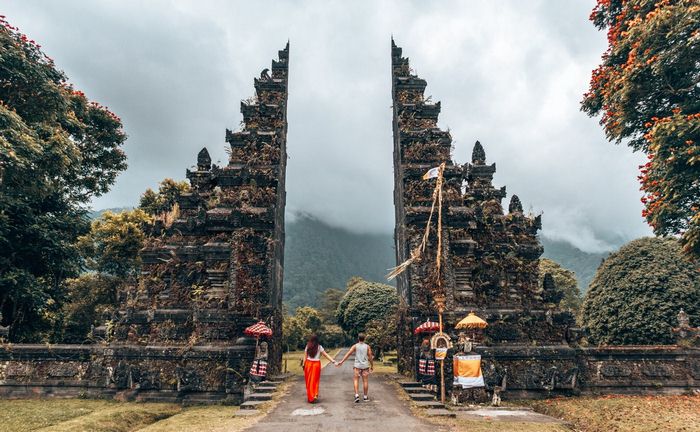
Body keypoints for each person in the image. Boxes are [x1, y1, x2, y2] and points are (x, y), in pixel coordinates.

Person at [336, 333, 374, 402]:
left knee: (356, 380)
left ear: (358, 339)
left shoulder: (355, 346)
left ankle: (356, 395)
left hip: (357, 366)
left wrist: (342, 361)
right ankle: (365, 397)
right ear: (364, 339)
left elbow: (348, 353)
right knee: (365, 381)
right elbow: (370, 356)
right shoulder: (367, 347)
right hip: (365, 366)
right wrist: (372, 365)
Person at [302, 334, 338, 403]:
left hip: (308, 364)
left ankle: (310, 397)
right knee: (315, 380)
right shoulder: (319, 347)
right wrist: (333, 361)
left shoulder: (308, 346)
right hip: (316, 365)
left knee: (309, 381)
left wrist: (304, 364)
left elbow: (305, 356)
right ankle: (314, 395)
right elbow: (326, 355)